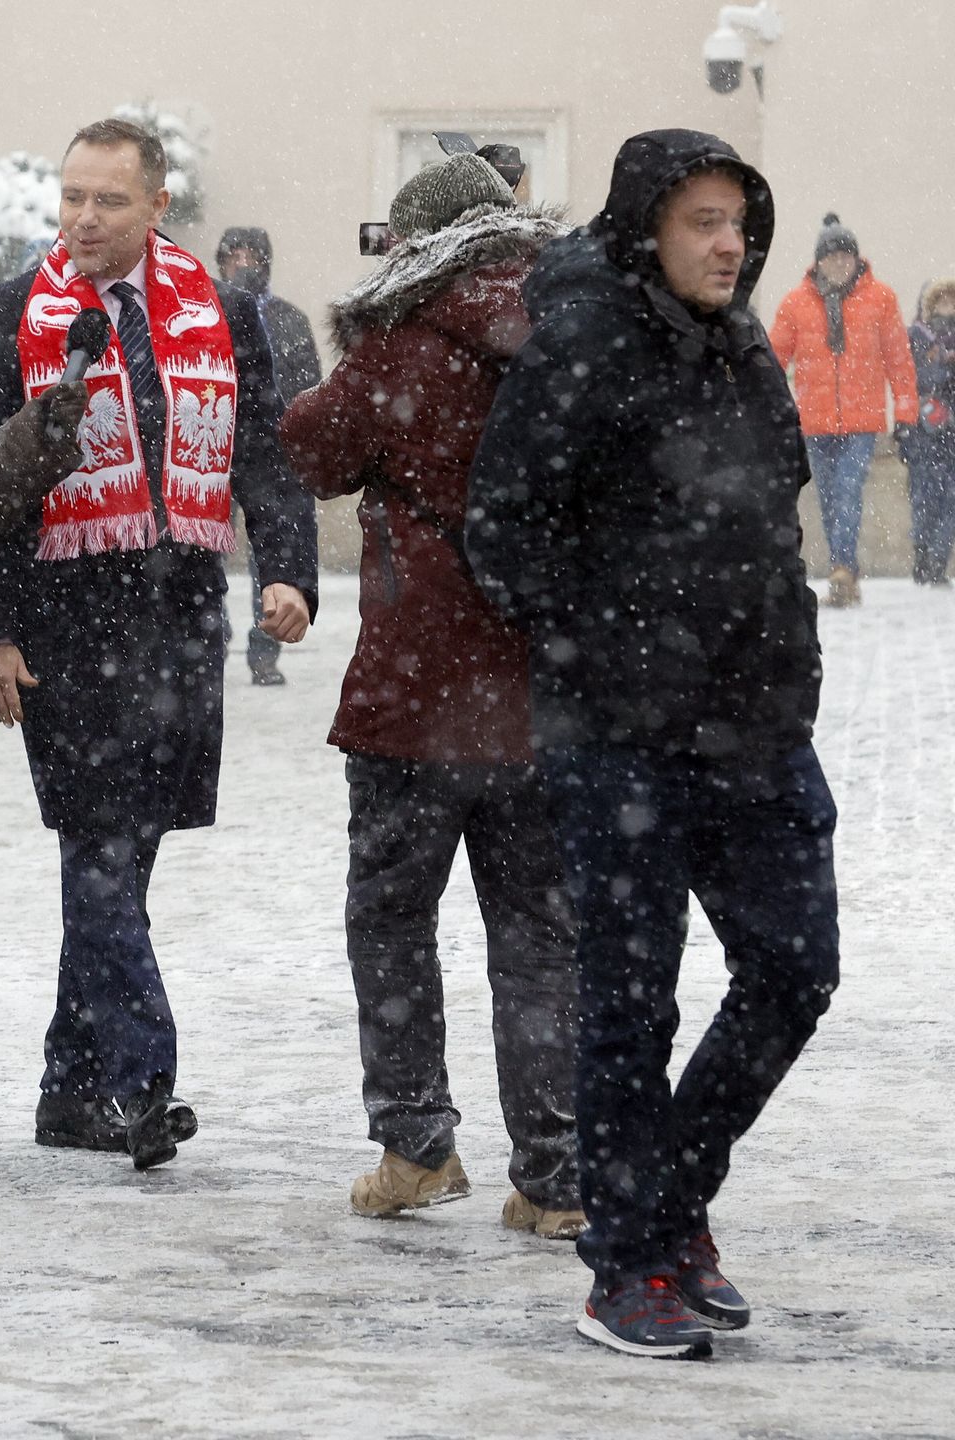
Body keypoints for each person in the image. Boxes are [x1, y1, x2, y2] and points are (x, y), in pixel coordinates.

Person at [467, 130, 839, 1359]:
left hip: (757, 728)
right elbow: (504, 532)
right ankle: (628, 1263)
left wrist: (788, 664)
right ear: (647, 227)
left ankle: (667, 1203)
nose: (728, 244)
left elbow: (773, 521)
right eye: (702, 222)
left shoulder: (742, 352)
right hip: (621, 738)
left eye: (740, 221)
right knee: (632, 1002)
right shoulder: (579, 345)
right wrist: (612, 656)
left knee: (796, 970)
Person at [0, 117, 318, 1172]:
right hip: (63, 624)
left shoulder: (221, 314)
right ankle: (143, 1081)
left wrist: (287, 572)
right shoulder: (5, 318)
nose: (85, 218)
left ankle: (69, 1089)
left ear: (158, 208)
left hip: (180, 616)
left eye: (109, 199)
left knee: (122, 858)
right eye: (71, 198)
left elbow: (267, 458)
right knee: (101, 849)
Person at [280, 154, 582, 1238]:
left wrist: (345, 360)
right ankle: (556, 1174)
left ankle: (415, 1146)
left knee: (394, 920)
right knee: (542, 931)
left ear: (417, 245)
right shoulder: (572, 337)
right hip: (543, 692)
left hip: (415, 691)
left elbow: (309, 450)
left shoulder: (399, 345)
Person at [770, 212, 920, 608]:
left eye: (844, 256)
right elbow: (772, 359)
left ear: (856, 260)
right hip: (814, 419)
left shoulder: (880, 299)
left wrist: (905, 413)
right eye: (830, 256)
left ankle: (841, 568)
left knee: (848, 490)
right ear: (817, 262)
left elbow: (898, 360)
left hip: (862, 418)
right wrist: (769, 409)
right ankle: (846, 571)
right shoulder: (795, 302)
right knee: (829, 496)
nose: (838, 262)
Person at [216, 223, 322, 687]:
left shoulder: (288, 319)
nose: (243, 264)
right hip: (212, 457)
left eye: (251, 256)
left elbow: (308, 385)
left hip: (268, 456)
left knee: (271, 560)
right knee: (206, 555)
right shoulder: (204, 310)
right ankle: (211, 640)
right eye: (233, 256)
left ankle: (265, 651)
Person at [900, 279, 955, 586]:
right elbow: (911, 376)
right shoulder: (917, 337)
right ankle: (922, 555)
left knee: (951, 501)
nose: (947, 308)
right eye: (941, 301)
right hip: (924, 433)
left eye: (952, 301)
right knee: (924, 497)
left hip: (953, 434)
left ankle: (938, 559)